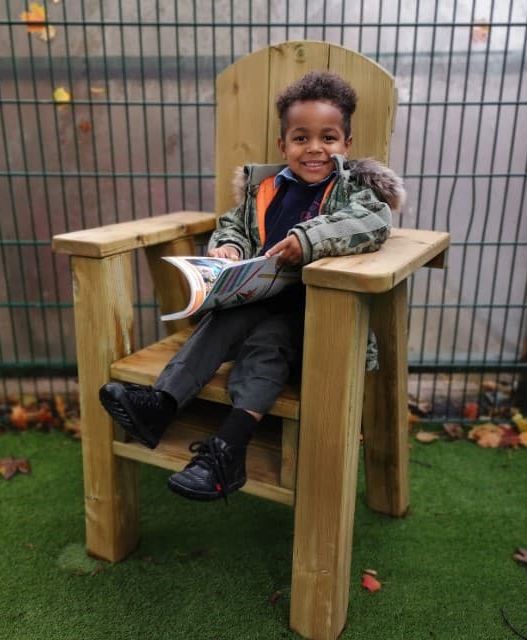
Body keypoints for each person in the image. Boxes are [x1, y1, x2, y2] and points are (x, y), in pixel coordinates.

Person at [99, 70, 406, 501]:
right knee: (225, 318)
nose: (314, 148)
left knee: (268, 339)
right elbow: (235, 226)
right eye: (301, 138)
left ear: (346, 145)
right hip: (256, 305)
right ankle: (161, 406)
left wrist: (307, 239)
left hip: (319, 331)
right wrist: (226, 248)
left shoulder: (355, 190)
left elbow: (372, 223)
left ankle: (227, 451)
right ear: (284, 145)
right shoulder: (266, 189)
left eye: (328, 138)